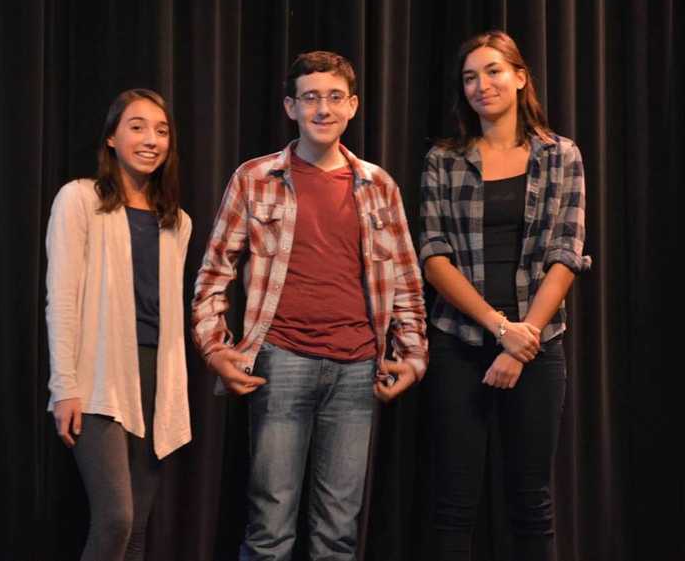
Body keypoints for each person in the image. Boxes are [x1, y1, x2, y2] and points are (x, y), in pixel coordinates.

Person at [192, 51, 428, 560]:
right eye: (311, 97)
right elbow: (214, 274)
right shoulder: (256, 178)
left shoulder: (378, 185)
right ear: (290, 107)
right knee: (270, 529)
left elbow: (406, 280)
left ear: (353, 106)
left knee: (337, 533)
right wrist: (216, 349)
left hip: (357, 368)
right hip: (282, 362)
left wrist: (412, 355)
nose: (323, 108)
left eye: (334, 97)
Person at [419, 30, 591, 561]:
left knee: (531, 501)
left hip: (538, 349)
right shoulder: (444, 160)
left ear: (520, 78)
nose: (482, 85)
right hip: (460, 343)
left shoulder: (561, 155)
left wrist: (523, 340)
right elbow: (433, 255)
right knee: (452, 502)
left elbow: (567, 254)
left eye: (493, 71)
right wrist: (499, 328)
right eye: (470, 77)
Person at [45, 88, 192, 561]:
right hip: (98, 376)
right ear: (111, 137)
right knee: (116, 519)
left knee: (136, 532)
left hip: (156, 379)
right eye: (137, 126)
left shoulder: (177, 222)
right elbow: (62, 298)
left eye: (161, 130)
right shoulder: (80, 199)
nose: (151, 139)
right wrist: (64, 385)